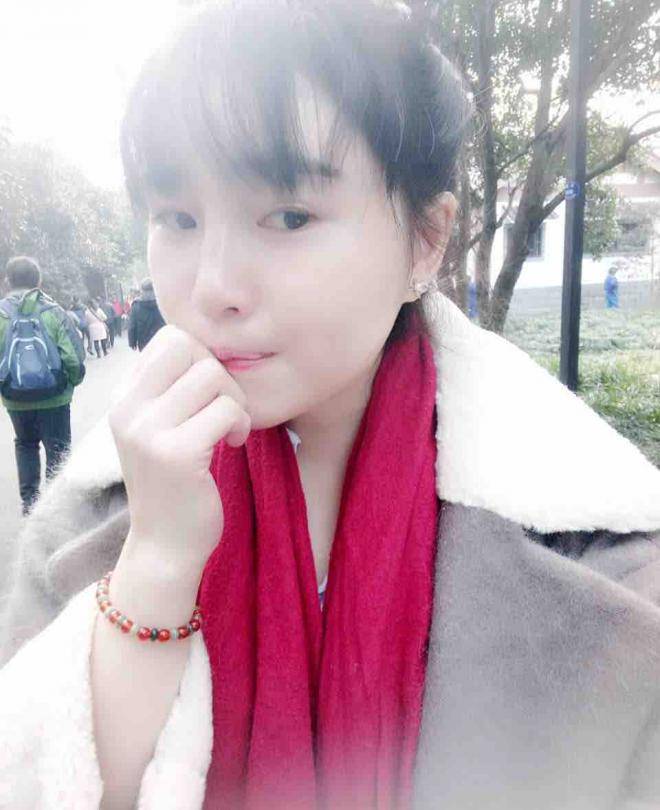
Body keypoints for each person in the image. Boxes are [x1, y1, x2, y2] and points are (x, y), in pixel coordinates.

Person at [1, 3, 659, 809]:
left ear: (426, 240)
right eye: (178, 218)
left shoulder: (605, 557)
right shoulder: (90, 519)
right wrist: (158, 562)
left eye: (288, 216)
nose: (213, 286)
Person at [0, 256, 85, 516]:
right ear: (39, 281)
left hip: (15, 398)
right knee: (57, 449)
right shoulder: (53, 311)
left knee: (25, 444)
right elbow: (73, 357)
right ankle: (56, 507)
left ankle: (30, 504)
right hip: (55, 397)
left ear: (7, 281)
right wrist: (72, 381)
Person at [127, 277, 166, 351]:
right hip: (162, 341)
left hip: (144, 343)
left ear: (142, 290)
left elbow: (132, 326)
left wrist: (132, 342)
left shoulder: (136, 306)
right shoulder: (162, 303)